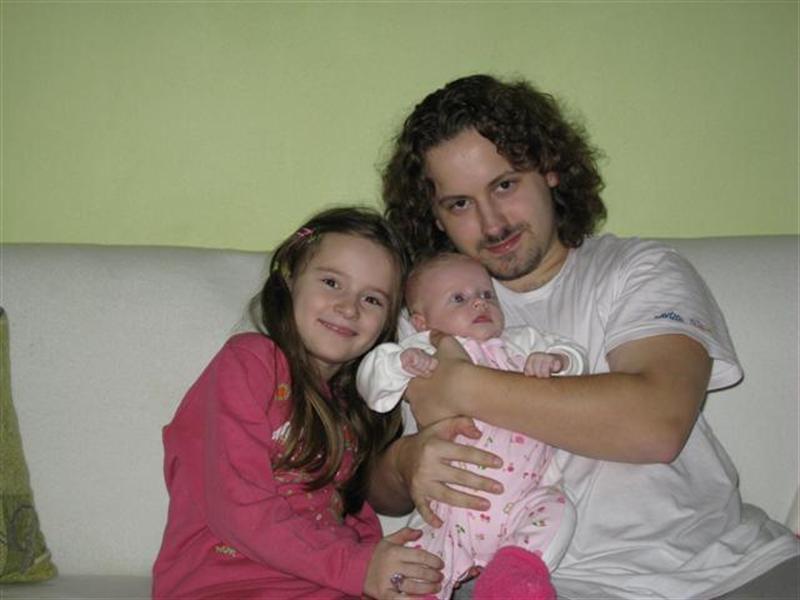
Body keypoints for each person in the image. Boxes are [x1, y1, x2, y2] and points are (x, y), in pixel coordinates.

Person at [369, 74, 800, 599]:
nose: (492, 222)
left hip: (727, 570)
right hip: (535, 583)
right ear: (435, 217)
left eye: (505, 185)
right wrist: (405, 463)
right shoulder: (429, 311)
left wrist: (461, 385)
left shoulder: (639, 270)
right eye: (459, 204)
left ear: (549, 169)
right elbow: (378, 487)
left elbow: (656, 425)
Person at [152, 207, 445, 600]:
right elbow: (237, 505)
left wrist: (383, 561)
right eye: (331, 282)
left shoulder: (350, 407)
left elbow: (349, 514)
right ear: (290, 277)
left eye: (372, 299)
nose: (349, 308)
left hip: (320, 585)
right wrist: (358, 567)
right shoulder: (250, 362)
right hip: (224, 585)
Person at [357, 252, 586, 600]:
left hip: (524, 500)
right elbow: (373, 386)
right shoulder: (424, 349)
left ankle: (513, 576)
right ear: (421, 322)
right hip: (449, 515)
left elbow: (576, 358)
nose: (480, 303)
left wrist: (556, 360)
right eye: (459, 299)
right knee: (419, 564)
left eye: (486, 294)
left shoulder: (522, 342)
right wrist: (401, 362)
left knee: (558, 509)